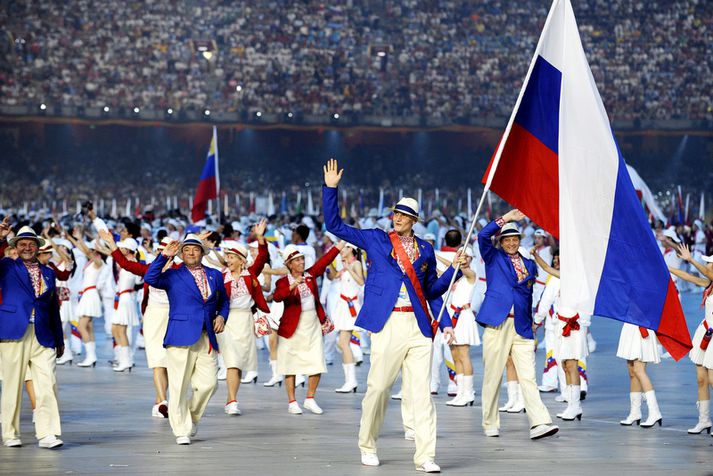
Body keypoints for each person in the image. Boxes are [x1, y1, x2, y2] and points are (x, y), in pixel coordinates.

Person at [323, 159, 461, 473]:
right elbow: (335, 226)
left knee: (421, 394)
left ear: (414, 220)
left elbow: (431, 290)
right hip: (387, 323)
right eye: (397, 213)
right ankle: (367, 444)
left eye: (406, 215)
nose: (399, 218)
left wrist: (454, 269)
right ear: (392, 215)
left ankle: (425, 456)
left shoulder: (426, 249)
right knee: (379, 388)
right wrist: (331, 189)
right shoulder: (375, 239)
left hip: (418, 326)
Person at [477, 210, 558, 440]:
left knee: (528, 376)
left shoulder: (530, 265)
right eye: (507, 239)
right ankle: (490, 422)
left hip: (522, 326)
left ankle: (540, 422)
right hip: (497, 323)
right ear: (501, 242)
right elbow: (483, 235)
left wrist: (534, 321)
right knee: (493, 375)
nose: (511, 243)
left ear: (519, 241)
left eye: (515, 239)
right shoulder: (493, 257)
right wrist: (507, 218)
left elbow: (529, 295)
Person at [144, 234, 229, 445]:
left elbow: (224, 301)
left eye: (196, 249)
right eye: (187, 249)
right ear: (181, 253)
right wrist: (164, 256)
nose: (191, 253)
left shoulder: (215, 275)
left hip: (206, 334)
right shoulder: (173, 275)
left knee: (210, 384)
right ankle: (181, 430)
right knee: (179, 385)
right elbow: (150, 278)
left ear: (202, 252)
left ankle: (191, 416)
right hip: (180, 334)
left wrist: (221, 315)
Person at [0, 222, 64, 449]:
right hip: (14, 332)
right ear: (15, 247)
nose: (27, 247)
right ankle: (10, 433)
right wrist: (0, 239)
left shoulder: (48, 272)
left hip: (43, 334)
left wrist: (59, 338)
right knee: (12, 385)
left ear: (38, 247)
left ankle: (47, 433)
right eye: (22, 244)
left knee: (48, 383)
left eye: (31, 244)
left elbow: (53, 306)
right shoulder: (7, 266)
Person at [99, 231, 176, 417]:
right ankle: (161, 401)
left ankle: (165, 400)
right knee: (157, 360)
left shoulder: (180, 272)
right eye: (159, 252)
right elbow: (125, 264)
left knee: (172, 362)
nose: (162, 255)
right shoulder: (149, 269)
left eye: (165, 252)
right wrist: (111, 244)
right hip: (153, 317)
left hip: (174, 319)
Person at [273, 240, 343, 415]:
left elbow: (324, 261)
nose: (302, 263)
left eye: (302, 259)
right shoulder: (283, 282)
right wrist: (293, 285)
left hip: (312, 324)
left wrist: (339, 246)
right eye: (297, 260)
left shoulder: (311, 275)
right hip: (291, 327)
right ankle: (292, 401)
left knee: (316, 361)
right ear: (289, 264)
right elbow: (277, 296)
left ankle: (310, 398)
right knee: (290, 365)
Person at [218, 219, 269, 415]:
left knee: (238, 363)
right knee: (231, 360)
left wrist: (260, 236)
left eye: (232, 257)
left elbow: (263, 257)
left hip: (245, 320)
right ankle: (232, 401)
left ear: (241, 259)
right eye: (227, 257)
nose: (228, 260)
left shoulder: (250, 274)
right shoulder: (221, 276)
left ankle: (231, 399)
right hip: (226, 320)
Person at [669, 243, 713, 435]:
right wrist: (666, 267)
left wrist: (691, 259)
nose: (707, 267)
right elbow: (688, 276)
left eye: (709, 264)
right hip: (705, 332)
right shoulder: (709, 284)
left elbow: (706, 273)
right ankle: (704, 420)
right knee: (701, 379)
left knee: (712, 379)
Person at [444, 245, 480, 407]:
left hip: (464, 317)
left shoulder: (471, 274)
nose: (463, 259)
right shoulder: (456, 277)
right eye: (461, 256)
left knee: (464, 354)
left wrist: (454, 262)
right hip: (453, 317)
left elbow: (458, 268)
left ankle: (469, 392)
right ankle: (460, 392)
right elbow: (445, 270)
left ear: (470, 259)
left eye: (465, 257)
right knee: (455, 355)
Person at [65, 232, 104, 368]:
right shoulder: (91, 261)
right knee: (88, 326)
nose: (90, 251)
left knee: (81, 326)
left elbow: (86, 251)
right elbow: (83, 249)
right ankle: (91, 356)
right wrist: (71, 238)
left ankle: (91, 356)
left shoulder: (99, 262)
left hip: (91, 295)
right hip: (87, 295)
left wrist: (80, 238)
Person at [332, 243, 364, 393]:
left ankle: (351, 381)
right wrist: (330, 262)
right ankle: (350, 380)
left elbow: (361, 281)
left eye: (344, 248)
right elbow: (333, 276)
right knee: (342, 343)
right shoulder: (344, 264)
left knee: (343, 342)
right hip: (343, 306)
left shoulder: (356, 263)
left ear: (351, 249)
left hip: (351, 306)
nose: (341, 251)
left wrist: (348, 268)